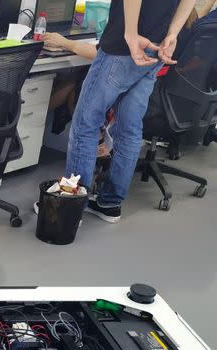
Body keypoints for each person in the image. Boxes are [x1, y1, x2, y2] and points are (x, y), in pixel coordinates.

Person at [65, 0, 196, 224]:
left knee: (85, 124)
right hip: (158, 44)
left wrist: (130, 33)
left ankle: (70, 206)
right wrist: (172, 33)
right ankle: (110, 203)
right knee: (129, 128)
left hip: (126, 45)